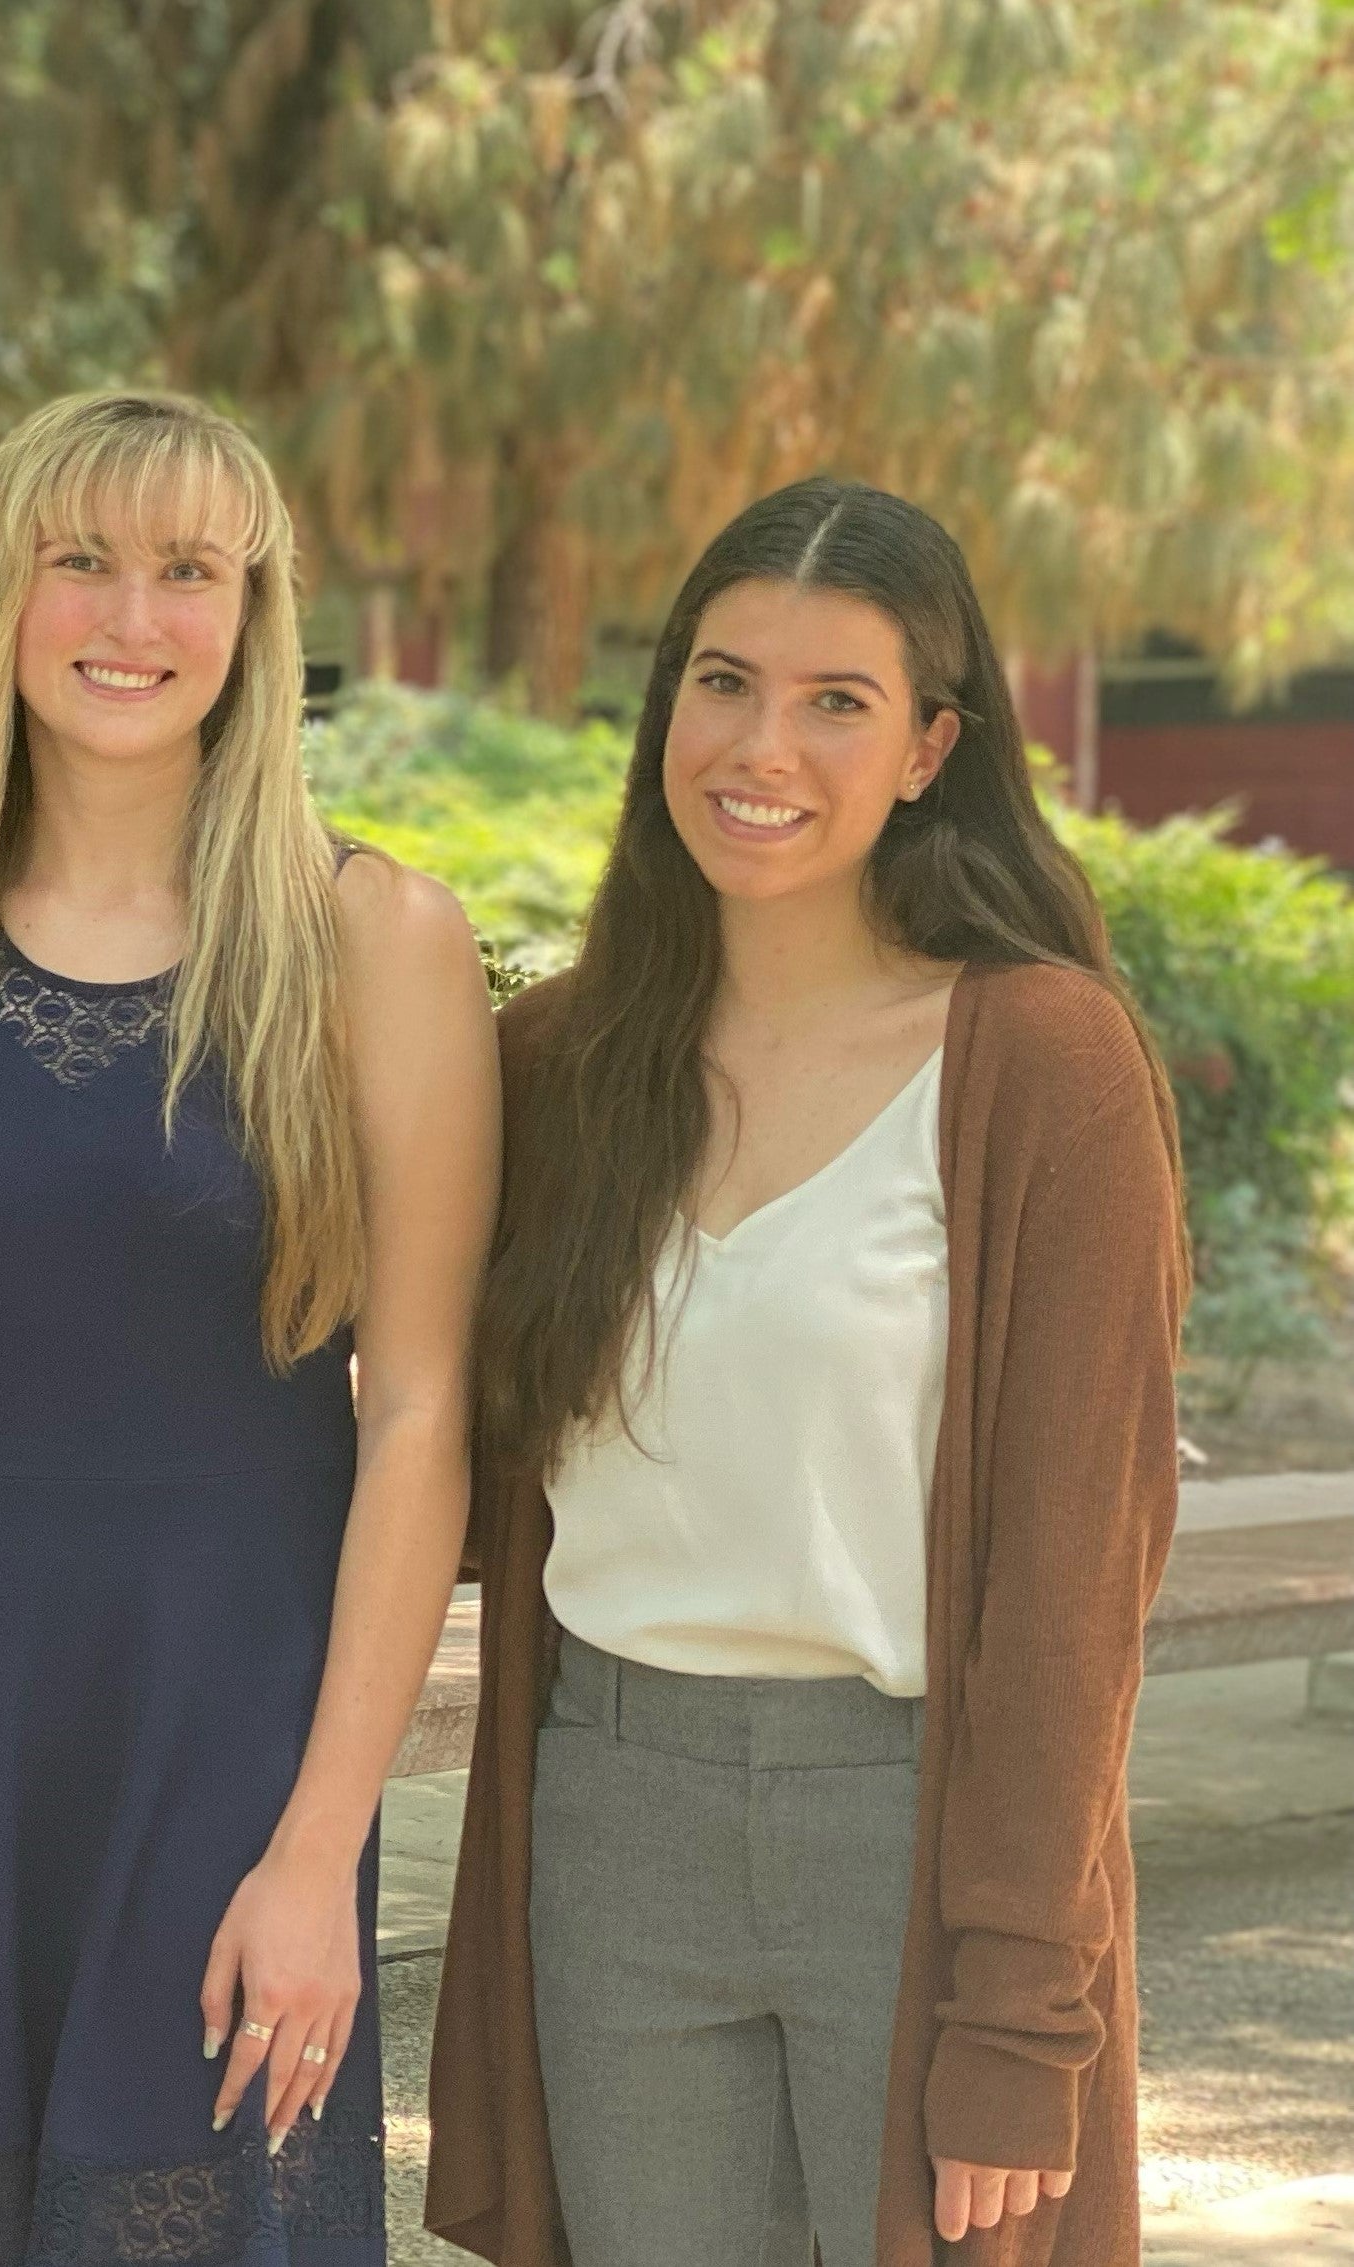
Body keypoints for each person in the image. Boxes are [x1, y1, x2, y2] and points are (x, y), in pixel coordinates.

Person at [0, 391, 495, 2263]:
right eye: (77, 559)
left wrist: (325, 1845)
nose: (129, 615)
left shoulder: (372, 941)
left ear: (253, 620)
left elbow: (416, 1411)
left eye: (188, 571)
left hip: (220, 1717)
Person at [428, 480, 1183, 2267]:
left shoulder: (1038, 1065)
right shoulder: (549, 1063)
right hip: (607, 1812)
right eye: (720, 680)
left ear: (930, 748)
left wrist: (1019, 2020)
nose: (759, 744)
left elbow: (1075, 1580)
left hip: (907, 1830)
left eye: (835, 700)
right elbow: (430, 1459)